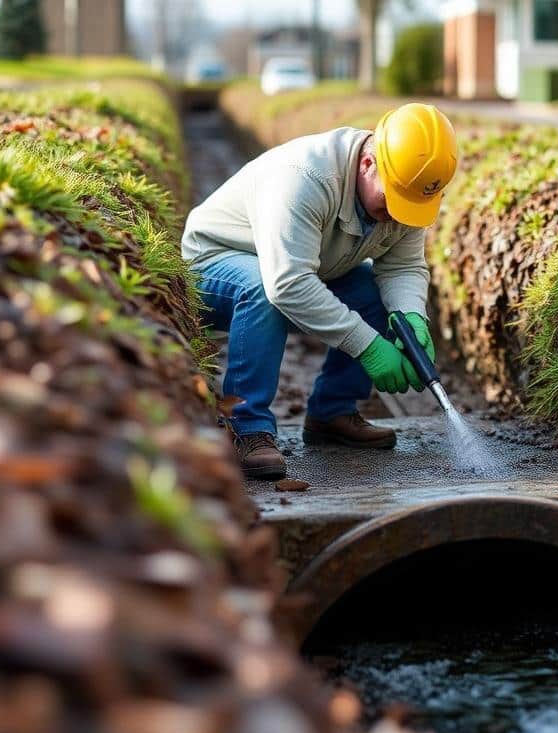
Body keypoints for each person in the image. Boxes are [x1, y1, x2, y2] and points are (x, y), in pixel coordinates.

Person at [181, 103, 459, 478]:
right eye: (392, 201)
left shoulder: (407, 189)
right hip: (216, 263)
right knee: (262, 289)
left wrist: (411, 316)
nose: (397, 215)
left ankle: (332, 412)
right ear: (368, 163)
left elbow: (403, 266)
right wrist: (369, 345)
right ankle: (246, 429)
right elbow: (287, 283)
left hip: (300, 265)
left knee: (371, 290)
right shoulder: (305, 178)